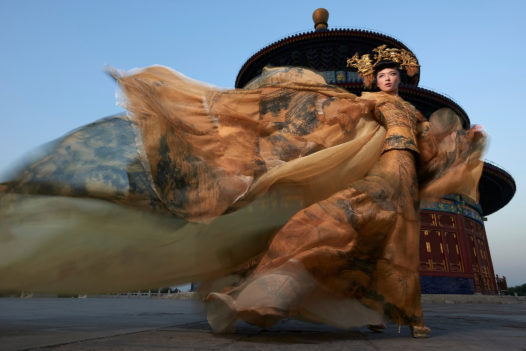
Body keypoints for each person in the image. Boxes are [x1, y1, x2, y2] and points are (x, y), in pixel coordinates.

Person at [0, 47, 484, 338]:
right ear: (371, 80)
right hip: (377, 168)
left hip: (405, 171)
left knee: (390, 240)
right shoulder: (361, 104)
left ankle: (393, 314)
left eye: (394, 76)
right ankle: (261, 290)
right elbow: (322, 127)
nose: (388, 79)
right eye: (382, 76)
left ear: (403, 81)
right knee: (335, 220)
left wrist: (465, 141)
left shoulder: (414, 115)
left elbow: (434, 149)